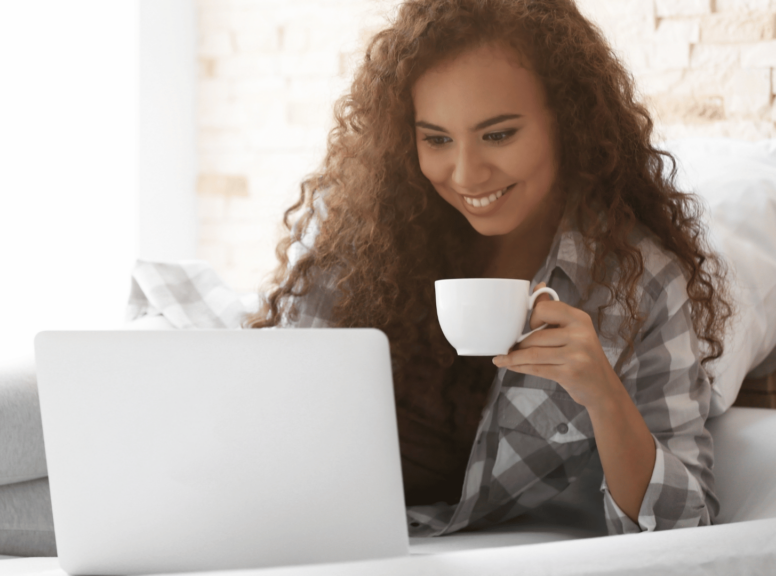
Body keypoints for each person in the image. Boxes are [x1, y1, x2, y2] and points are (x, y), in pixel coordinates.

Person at [238, 0, 733, 536]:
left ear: (568, 122)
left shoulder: (636, 282)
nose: (467, 174)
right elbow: (269, 416)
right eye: (436, 139)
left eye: (498, 135)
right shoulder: (359, 227)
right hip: (330, 536)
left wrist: (604, 396)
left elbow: (688, 526)